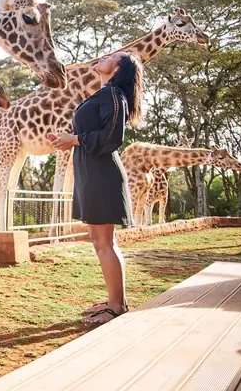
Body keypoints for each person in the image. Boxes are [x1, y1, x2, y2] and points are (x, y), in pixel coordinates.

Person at [48, 51, 144, 326]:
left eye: (113, 56)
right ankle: (116, 300)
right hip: (91, 173)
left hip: (102, 175)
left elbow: (112, 139)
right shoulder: (105, 95)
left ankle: (116, 307)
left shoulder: (114, 95)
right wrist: (67, 140)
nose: (104, 56)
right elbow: (96, 133)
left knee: (104, 243)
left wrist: (75, 139)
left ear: (117, 69)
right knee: (101, 242)